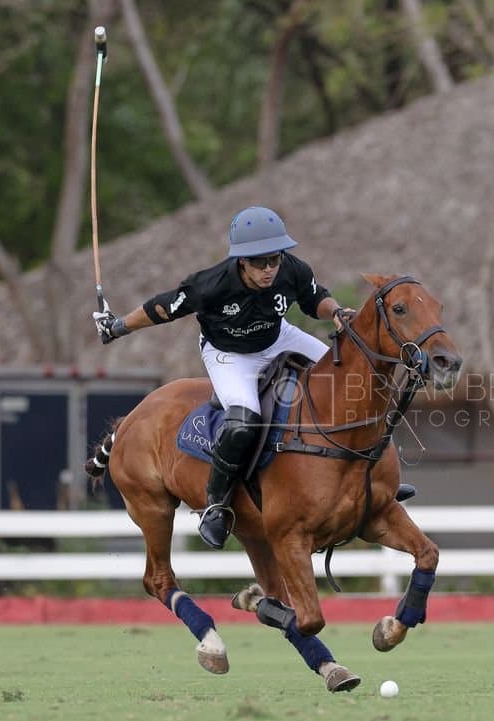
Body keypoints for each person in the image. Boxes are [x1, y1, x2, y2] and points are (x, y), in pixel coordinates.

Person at [92, 206, 412, 549]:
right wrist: (118, 326)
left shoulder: (291, 269)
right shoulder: (210, 284)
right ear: (242, 261)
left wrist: (335, 311)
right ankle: (216, 504)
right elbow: (162, 308)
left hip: (278, 338)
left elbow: (315, 297)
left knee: (351, 382)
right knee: (243, 421)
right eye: (260, 262)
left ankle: (377, 477)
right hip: (229, 354)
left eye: (274, 259)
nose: (269, 269)